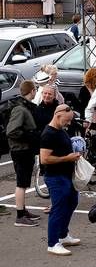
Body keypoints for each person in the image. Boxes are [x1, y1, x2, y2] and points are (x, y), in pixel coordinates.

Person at [41, 103, 83, 256]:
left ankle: (63, 235)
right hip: (55, 177)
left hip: (66, 175)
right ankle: (53, 243)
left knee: (72, 202)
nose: (69, 123)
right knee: (58, 208)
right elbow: (45, 159)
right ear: (58, 116)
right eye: (67, 120)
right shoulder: (48, 134)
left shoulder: (60, 130)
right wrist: (67, 158)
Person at [6, 80, 42, 227]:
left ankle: (23, 210)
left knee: (24, 182)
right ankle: (20, 216)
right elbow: (12, 131)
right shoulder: (20, 109)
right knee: (21, 183)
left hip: (24, 149)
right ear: (32, 91)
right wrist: (31, 135)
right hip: (21, 150)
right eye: (35, 90)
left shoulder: (23, 107)